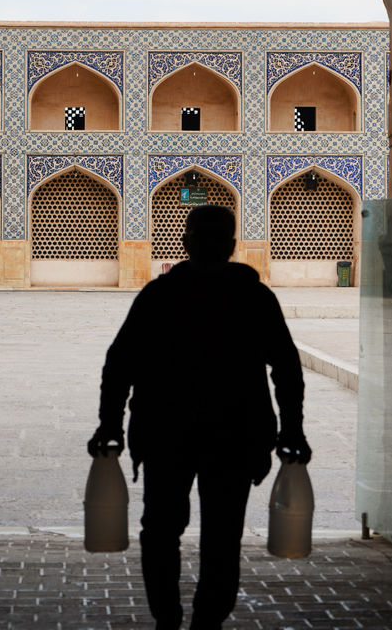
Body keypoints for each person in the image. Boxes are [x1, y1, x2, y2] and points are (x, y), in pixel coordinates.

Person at [88, 204, 311, 630]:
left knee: (161, 531)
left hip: (167, 434)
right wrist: (292, 429)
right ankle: (207, 622)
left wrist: (110, 424)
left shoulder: (161, 295)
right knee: (222, 537)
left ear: (184, 243)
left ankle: (167, 619)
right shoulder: (253, 297)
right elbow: (286, 368)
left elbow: (120, 365)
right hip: (234, 436)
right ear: (232, 246)